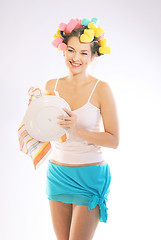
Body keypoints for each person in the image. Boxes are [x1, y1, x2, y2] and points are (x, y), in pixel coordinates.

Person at [45, 18, 119, 240]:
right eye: (71, 50)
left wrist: (77, 130)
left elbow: (114, 140)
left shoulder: (101, 89)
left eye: (83, 53)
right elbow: (47, 130)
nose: (75, 58)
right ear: (63, 50)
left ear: (93, 55)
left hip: (89, 176)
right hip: (57, 173)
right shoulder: (51, 86)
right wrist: (32, 120)